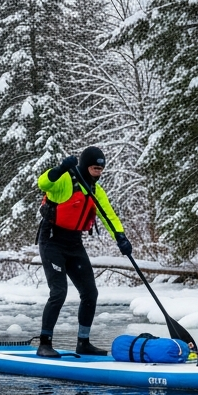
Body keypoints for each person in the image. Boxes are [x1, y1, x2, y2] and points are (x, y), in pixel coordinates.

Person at [35, 146, 132, 358]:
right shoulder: (65, 180)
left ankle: (83, 342)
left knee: (90, 293)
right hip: (52, 240)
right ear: (85, 166)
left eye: (101, 169)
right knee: (59, 292)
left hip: (74, 243)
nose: (98, 172)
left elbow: (109, 216)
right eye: (95, 168)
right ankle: (44, 343)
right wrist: (60, 168)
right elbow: (43, 183)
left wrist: (121, 237)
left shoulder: (96, 190)